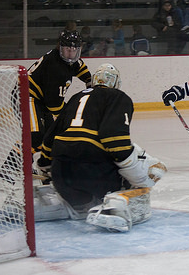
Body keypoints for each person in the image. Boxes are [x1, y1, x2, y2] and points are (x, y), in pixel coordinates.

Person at [33, 63, 167, 232]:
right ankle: (116, 207)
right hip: (93, 173)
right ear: (116, 83)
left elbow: (48, 140)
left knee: (79, 193)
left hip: (62, 176)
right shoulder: (118, 97)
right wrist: (138, 177)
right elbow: (114, 140)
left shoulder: (76, 98)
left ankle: (62, 203)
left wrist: (47, 171)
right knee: (143, 175)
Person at [27, 29, 91, 153]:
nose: (71, 54)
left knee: (52, 135)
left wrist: (90, 82)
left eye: (74, 50)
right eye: (67, 50)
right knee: (35, 136)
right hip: (27, 96)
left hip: (41, 100)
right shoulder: (56, 67)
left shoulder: (72, 61)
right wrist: (71, 114)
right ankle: (11, 166)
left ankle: (48, 164)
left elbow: (82, 70)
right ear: (60, 48)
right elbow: (54, 106)